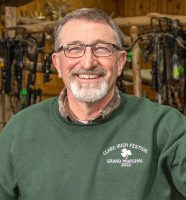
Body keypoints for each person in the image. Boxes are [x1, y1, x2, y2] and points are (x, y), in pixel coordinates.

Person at [0, 8, 186, 200]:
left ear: (120, 61)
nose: (88, 62)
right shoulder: (19, 131)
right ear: (57, 63)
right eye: (74, 49)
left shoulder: (167, 128)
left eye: (102, 48)